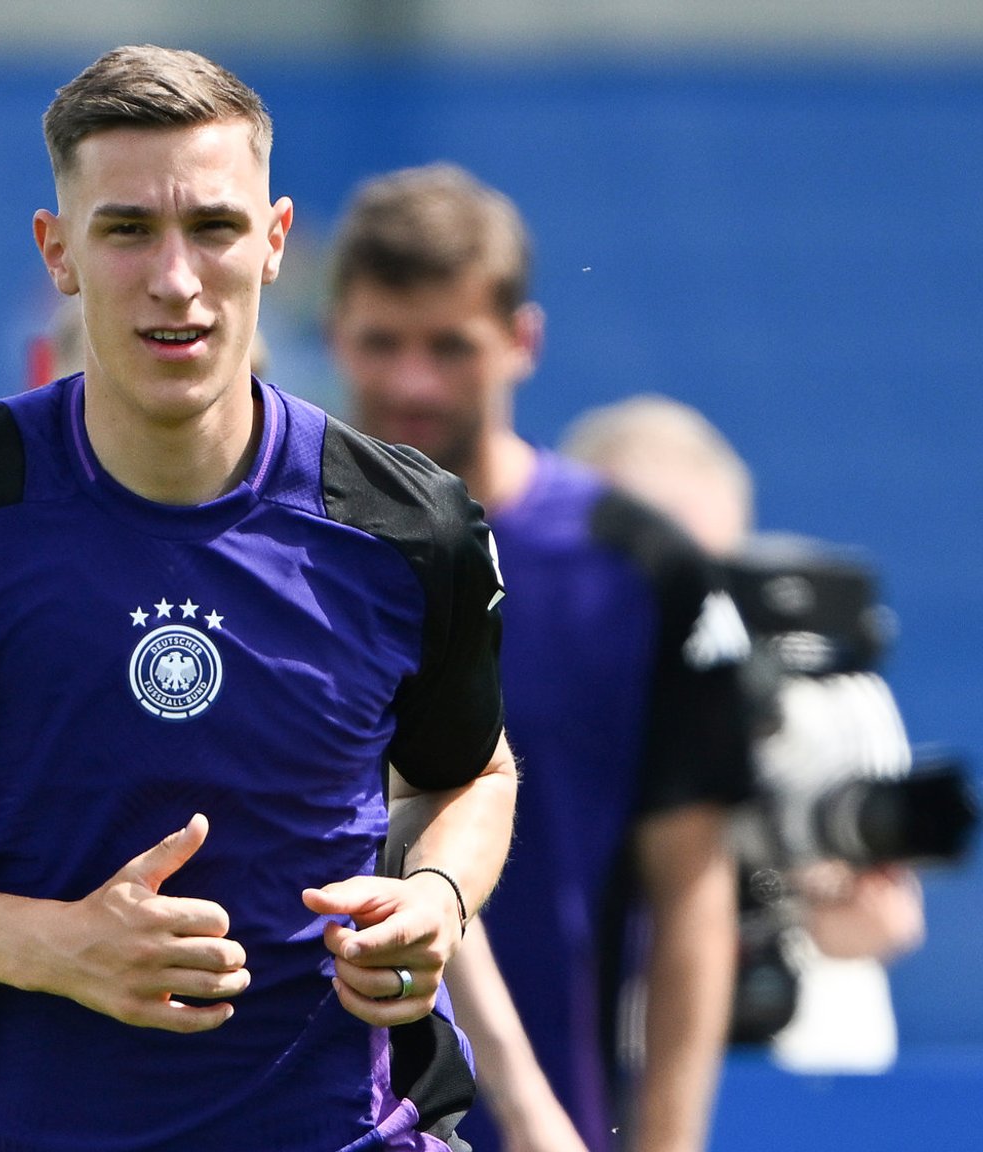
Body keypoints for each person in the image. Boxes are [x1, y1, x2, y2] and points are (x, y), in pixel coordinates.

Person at [0, 46, 518, 1152]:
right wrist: (52, 945)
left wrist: (434, 897)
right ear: (59, 253)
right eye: (128, 229)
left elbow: (471, 771)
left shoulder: (405, 525)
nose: (175, 278)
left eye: (216, 229)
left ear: (278, 242)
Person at [326, 165, 755, 1152]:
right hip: (306, 1115)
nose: (410, 382)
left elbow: (690, 885)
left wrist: (663, 1140)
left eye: (449, 346)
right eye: (380, 343)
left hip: (555, 1121)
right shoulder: (269, 547)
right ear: (336, 332)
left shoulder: (637, 567)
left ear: (521, 340)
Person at [560, 393, 926, 1074]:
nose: (693, 609)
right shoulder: (526, 697)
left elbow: (886, 918)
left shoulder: (829, 695)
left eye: (714, 576)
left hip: (812, 1073)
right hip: (597, 1076)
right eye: (660, 574)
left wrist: (832, 905)